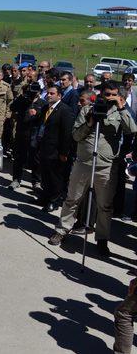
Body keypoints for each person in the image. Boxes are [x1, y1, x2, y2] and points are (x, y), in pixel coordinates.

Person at [49, 81, 137, 255]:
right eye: (106, 94)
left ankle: (102, 239)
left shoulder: (121, 112)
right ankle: (62, 230)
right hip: (84, 162)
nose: (109, 98)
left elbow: (132, 130)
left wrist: (121, 107)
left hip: (106, 165)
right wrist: (90, 122)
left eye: (113, 94)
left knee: (105, 205)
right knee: (72, 198)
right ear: (100, 94)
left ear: (118, 95)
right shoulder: (87, 109)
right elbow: (75, 135)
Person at [9, 82, 45, 190]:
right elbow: (12, 107)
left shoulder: (42, 103)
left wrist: (37, 114)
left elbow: (45, 118)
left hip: (35, 135)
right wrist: (22, 97)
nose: (33, 93)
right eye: (31, 90)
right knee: (19, 157)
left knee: (36, 159)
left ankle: (36, 182)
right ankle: (16, 179)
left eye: (35, 90)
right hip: (22, 133)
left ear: (39, 92)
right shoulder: (23, 100)